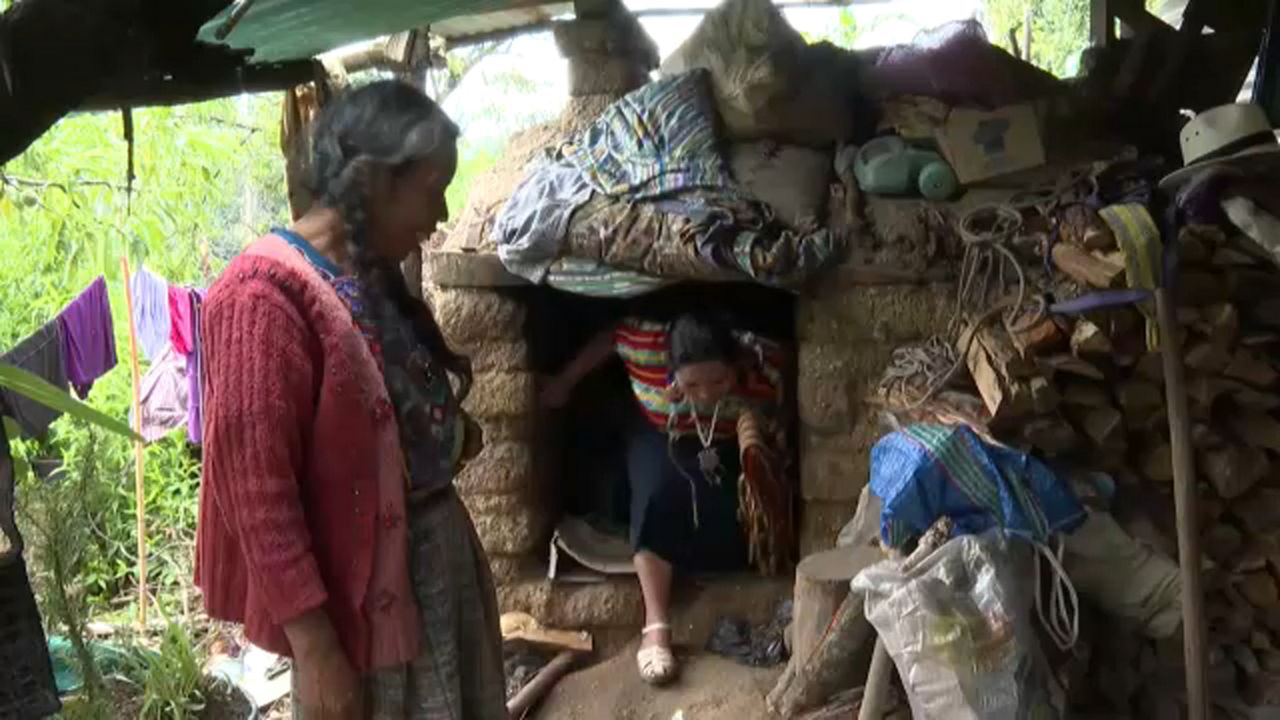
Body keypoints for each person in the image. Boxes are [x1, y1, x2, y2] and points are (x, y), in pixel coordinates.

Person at [195, 80, 507, 720]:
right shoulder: (261, 295)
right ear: (374, 179)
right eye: (432, 186)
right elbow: (259, 497)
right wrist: (318, 653)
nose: (443, 212)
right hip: (363, 609)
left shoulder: (371, 272)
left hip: (433, 566)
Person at [541, 311, 791, 685]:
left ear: (734, 364)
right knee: (657, 494)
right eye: (693, 384)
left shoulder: (761, 363)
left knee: (733, 504)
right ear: (672, 370)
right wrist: (564, 382)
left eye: (717, 380)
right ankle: (656, 625)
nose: (706, 393)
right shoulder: (644, 348)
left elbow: (791, 380)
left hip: (722, 436)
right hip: (660, 428)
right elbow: (612, 336)